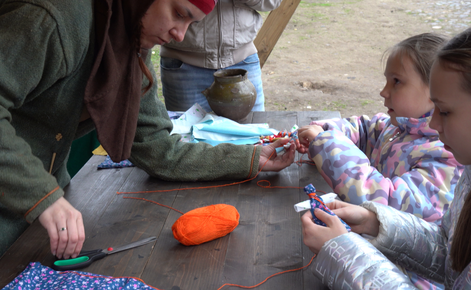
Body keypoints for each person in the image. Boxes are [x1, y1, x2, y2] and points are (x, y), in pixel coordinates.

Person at [0, 0, 297, 288]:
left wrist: (250, 159)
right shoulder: (54, 16)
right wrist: (41, 197)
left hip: (48, 203)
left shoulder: (127, 34)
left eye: (192, 23)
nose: (180, 34)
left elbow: (155, 145)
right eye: (179, 13)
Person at [301, 27, 471, 289]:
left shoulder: (447, 158)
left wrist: (343, 253)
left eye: (445, 111)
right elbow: (447, 252)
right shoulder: (467, 168)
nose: (434, 122)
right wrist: (377, 223)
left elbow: (387, 196)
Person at [296, 33, 463, 223]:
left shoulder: (445, 156)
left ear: (434, 90)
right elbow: (364, 130)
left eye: (396, 82)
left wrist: (327, 146)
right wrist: (324, 130)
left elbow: (386, 203)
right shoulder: (397, 127)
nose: (383, 92)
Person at [160, 0, 282, 113]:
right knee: (187, 135)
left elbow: (272, 2)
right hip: (183, 64)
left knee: (254, 134)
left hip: (243, 61)